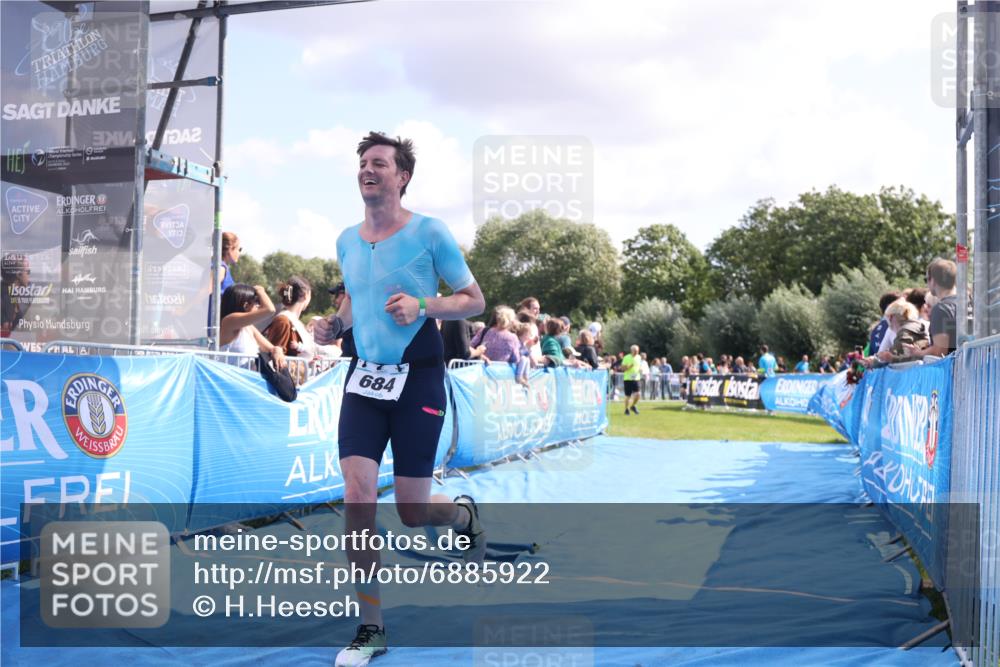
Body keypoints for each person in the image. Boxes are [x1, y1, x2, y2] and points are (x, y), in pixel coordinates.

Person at [315, 131, 486, 667]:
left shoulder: (430, 231)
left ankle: (460, 516)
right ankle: (371, 628)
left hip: (418, 379)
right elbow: (351, 293)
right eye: (364, 163)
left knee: (412, 510)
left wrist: (424, 305)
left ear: (401, 176)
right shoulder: (346, 238)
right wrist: (334, 323)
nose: (368, 170)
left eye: (380, 164)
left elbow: (474, 301)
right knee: (359, 493)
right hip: (363, 379)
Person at [218, 283, 287, 371]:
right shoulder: (229, 321)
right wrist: (260, 291)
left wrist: (278, 351)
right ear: (246, 306)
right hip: (231, 380)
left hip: (246, 380)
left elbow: (271, 348)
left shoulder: (248, 327)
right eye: (257, 302)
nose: (259, 306)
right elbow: (270, 309)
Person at [904, 258, 959, 359]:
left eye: (926, 279)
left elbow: (939, 352)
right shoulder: (969, 304)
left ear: (933, 280)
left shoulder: (941, 309)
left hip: (954, 371)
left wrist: (918, 353)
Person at [866, 300, 930, 366]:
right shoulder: (915, 326)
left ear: (890, 317)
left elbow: (896, 352)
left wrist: (876, 361)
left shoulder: (905, 330)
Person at [622, 344, 641, 415]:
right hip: (628, 379)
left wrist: (640, 369)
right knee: (628, 395)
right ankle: (626, 409)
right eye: (635, 351)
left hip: (636, 378)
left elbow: (638, 366)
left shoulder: (639, 357)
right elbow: (623, 368)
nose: (636, 352)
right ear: (631, 350)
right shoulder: (626, 357)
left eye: (637, 351)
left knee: (638, 394)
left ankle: (633, 406)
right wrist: (629, 366)